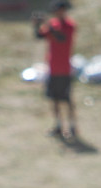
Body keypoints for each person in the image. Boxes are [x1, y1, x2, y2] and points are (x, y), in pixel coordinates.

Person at [32, 0, 77, 140]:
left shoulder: (69, 25)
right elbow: (39, 36)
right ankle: (58, 125)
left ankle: (72, 126)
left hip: (64, 69)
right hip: (52, 68)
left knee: (67, 99)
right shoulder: (52, 24)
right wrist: (36, 25)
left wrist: (48, 26)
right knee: (54, 99)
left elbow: (61, 38)